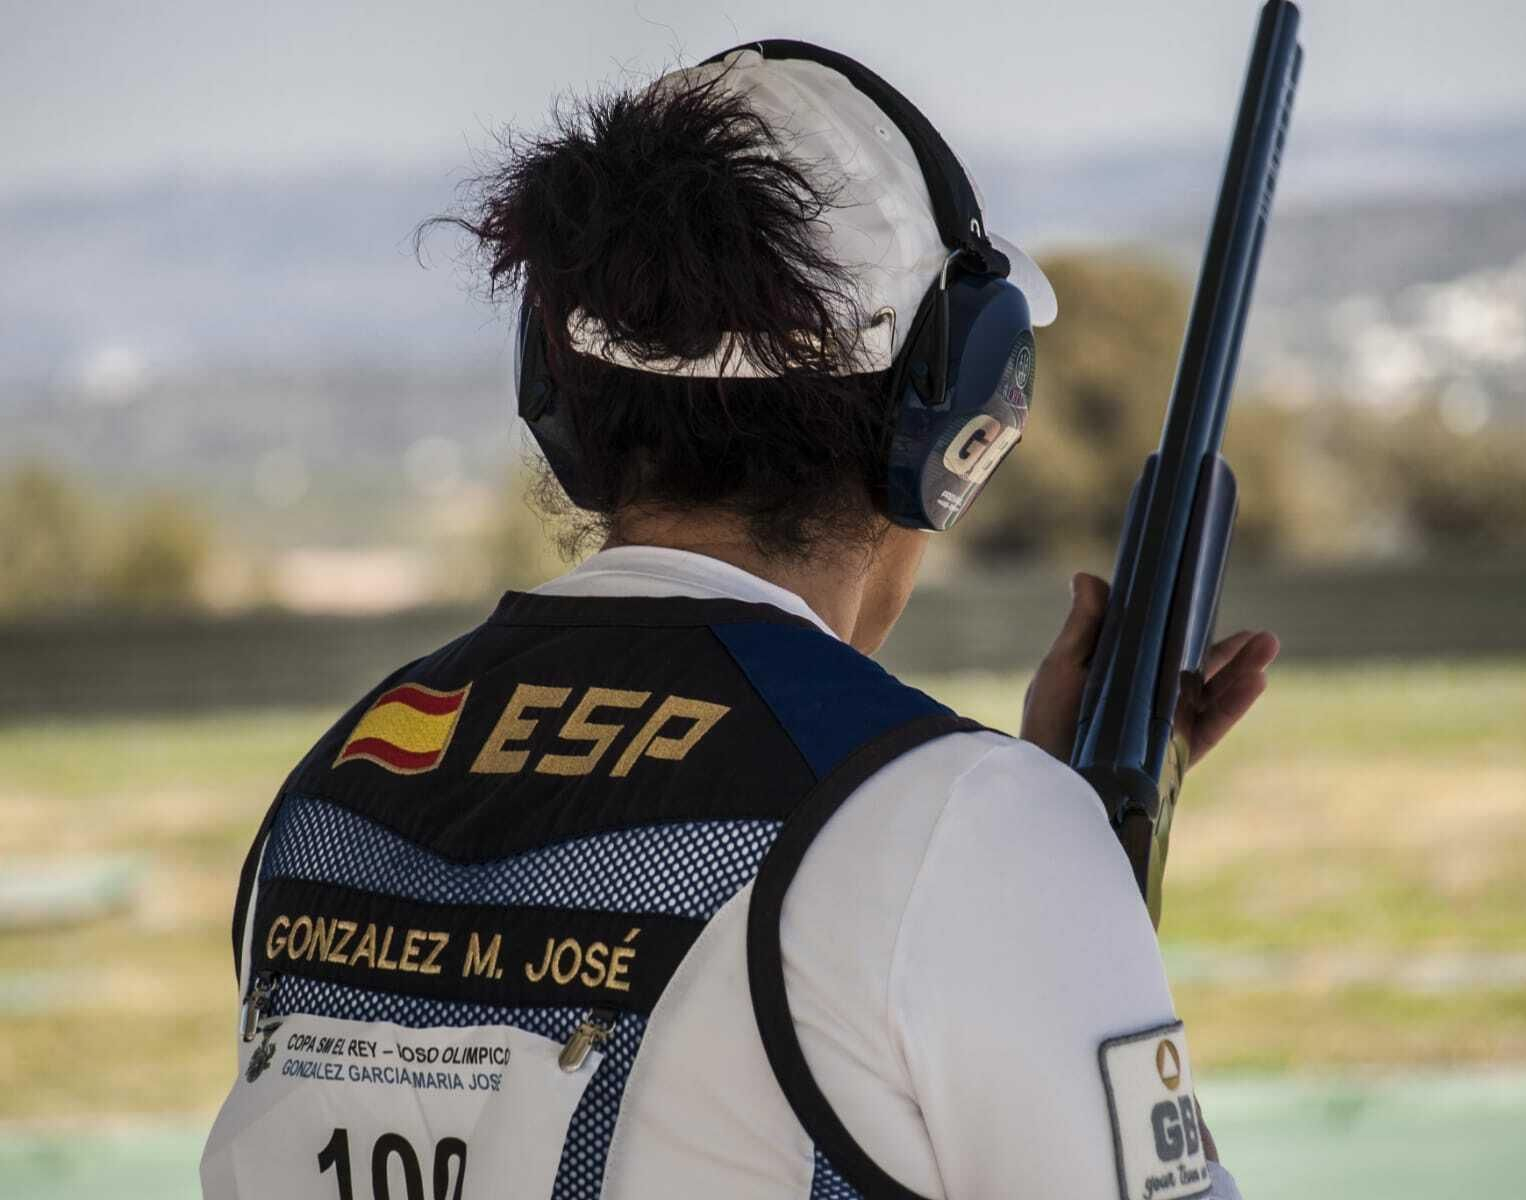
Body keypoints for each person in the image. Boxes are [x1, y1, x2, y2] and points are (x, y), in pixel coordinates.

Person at [202, 41, 1278, 1200]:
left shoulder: (328, 798)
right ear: (951, 418)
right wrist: (1047, 858)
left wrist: (1017, 832)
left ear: (560, 396)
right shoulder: (962, 831)